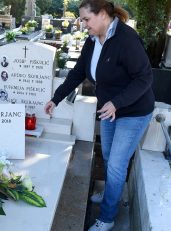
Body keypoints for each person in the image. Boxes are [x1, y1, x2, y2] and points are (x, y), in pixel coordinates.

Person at [44, 1, 154, 230]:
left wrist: (117, 103)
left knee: (116, 164)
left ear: (103, 14)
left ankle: (107, 217)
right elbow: (77, 73)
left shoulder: (126, 39)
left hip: (133, 112)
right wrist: (56, 98)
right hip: (108, 110)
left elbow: (144, 78)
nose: (83, 24)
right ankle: (109, 195)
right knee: (107, 157)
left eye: (86, 19)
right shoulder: (93, 40)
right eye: (82, 20)